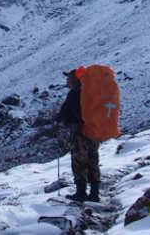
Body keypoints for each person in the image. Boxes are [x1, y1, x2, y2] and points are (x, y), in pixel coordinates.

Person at [56, 66, 101, 202]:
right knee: (93, 161)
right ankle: (94, 193)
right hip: (93, 132)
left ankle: (81, 192)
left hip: (79, 133)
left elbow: (65, 113)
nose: (67, 80)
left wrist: (62, 120)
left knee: (79, 162)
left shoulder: (74, 94)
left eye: (69, 78)